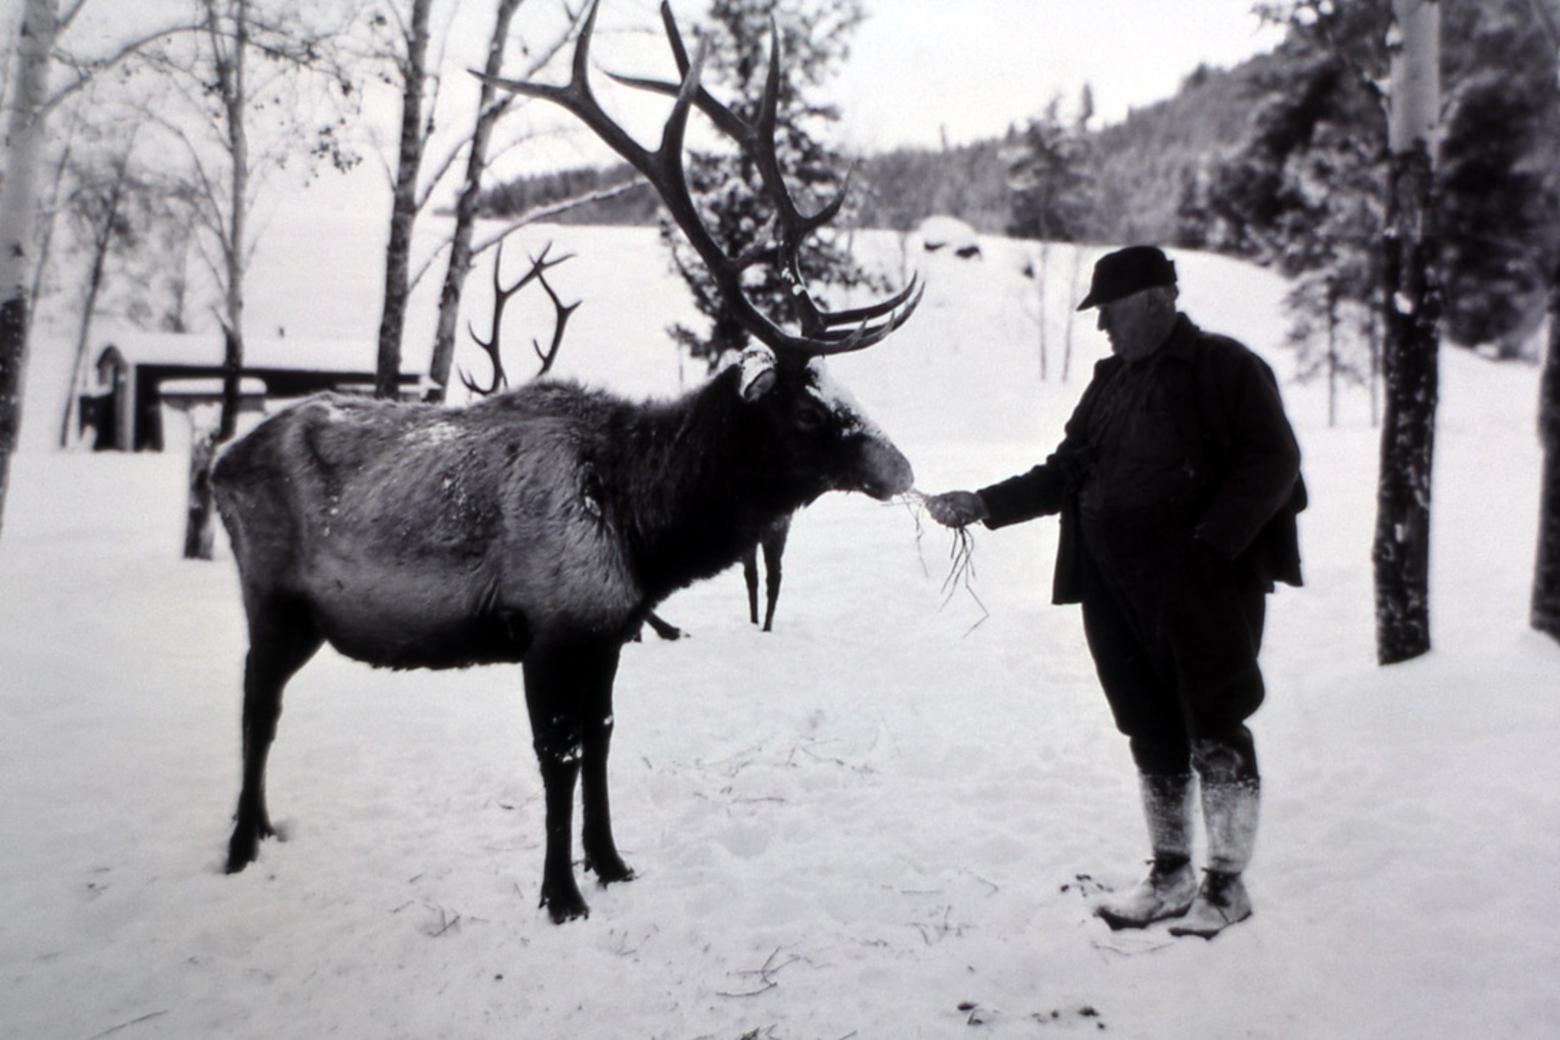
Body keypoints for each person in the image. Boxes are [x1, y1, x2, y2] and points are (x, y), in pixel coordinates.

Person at [926, 245, 1305, 939]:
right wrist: (983, 502)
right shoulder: (1111, 383)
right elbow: (1064, 471)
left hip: (1201, 588)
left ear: (1158, 301)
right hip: (1112, 586)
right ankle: (1170, 875)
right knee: (1149, 727)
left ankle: (1226, 886)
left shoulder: (1225, 368)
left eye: (1111, 311)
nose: (1102, 327)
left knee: (1216, 724)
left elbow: (1273, 460)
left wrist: (1210, 548)